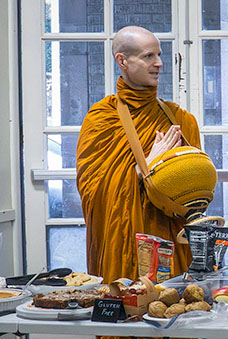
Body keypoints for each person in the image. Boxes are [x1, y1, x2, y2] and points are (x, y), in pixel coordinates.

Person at [77, 26, 200, 282]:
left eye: (159, 55)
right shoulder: (102, 119)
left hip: (168, 242)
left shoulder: (180, 120)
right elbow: (94, 194)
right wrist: (148, 166)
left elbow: (197, 192)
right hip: (122, 242)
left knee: (169, 308)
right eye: (148, 57)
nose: (159, 63)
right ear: (122, 61)